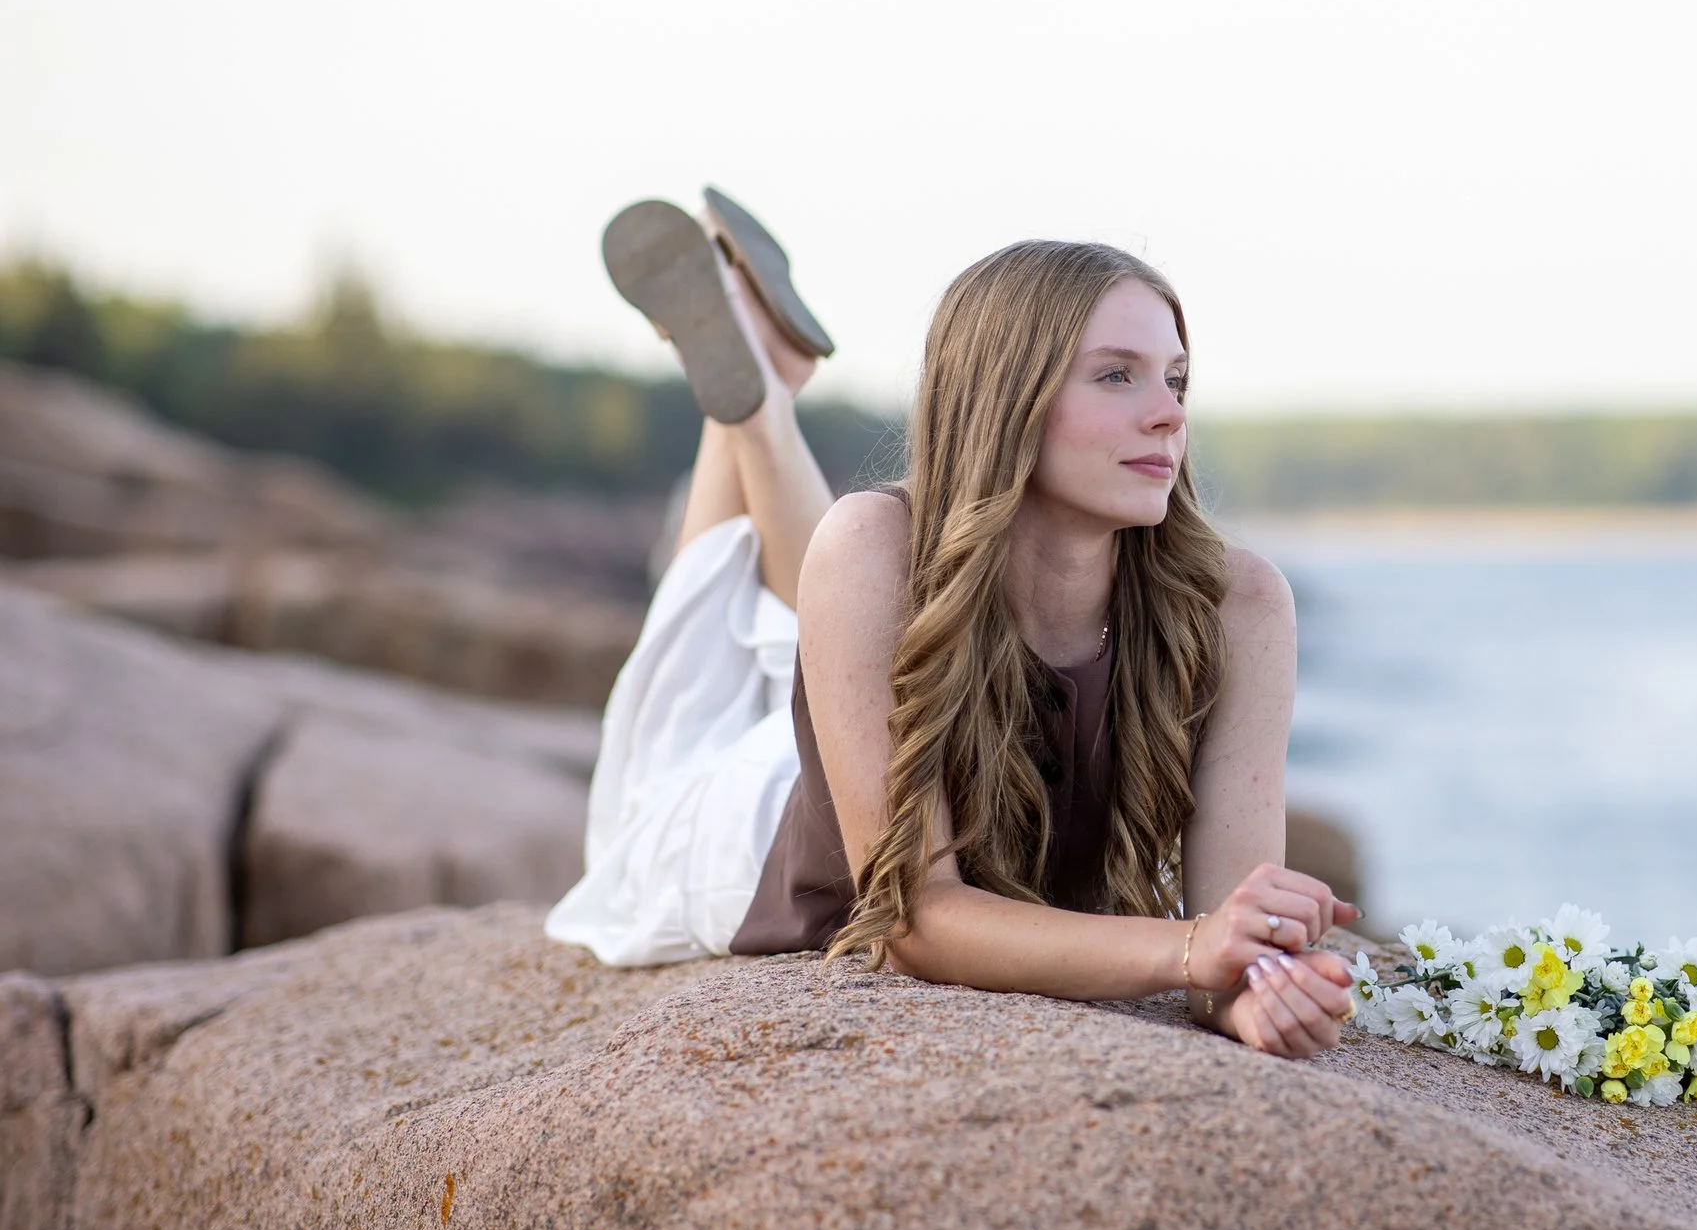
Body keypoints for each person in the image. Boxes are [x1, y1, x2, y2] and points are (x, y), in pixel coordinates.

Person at [545, 191, 1359, 1058]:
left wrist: (1251, 994)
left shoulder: (1240, 603)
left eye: (1176, 378)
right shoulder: (872, 543)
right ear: (1005, 394)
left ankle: (752, 374)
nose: (1169, 413)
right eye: (1116, 375)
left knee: (812, 601)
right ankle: (750, 406)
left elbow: (1232, 941)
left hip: (865, 705)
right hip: (749, 824)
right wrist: (1191, 950)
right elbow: (914, 919)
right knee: (695, 672)